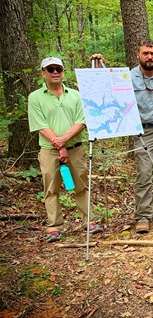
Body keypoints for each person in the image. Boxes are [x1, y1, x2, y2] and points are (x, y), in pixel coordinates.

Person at [92, 39, 153, 234]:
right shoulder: (128, 77)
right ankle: (143, 215)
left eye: (152, 53)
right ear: (138, 55)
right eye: (145, 53)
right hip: (143, 132)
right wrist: (101, 66)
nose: (150, 57)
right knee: (144, 174)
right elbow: (110, 89)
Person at [28, 57, 103, 242]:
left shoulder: (76, 95)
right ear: (43, 73)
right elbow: (40, 124)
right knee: (51, 190)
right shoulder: (35, 97)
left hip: (75, 149)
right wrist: (59, 144)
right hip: (48, 151)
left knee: (80, 186)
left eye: (58, 69)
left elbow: (82, 121)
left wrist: (64, 142)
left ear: (63, 72)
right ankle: (54, 227)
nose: (55, 72)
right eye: (50, 69)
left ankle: (89, 222)